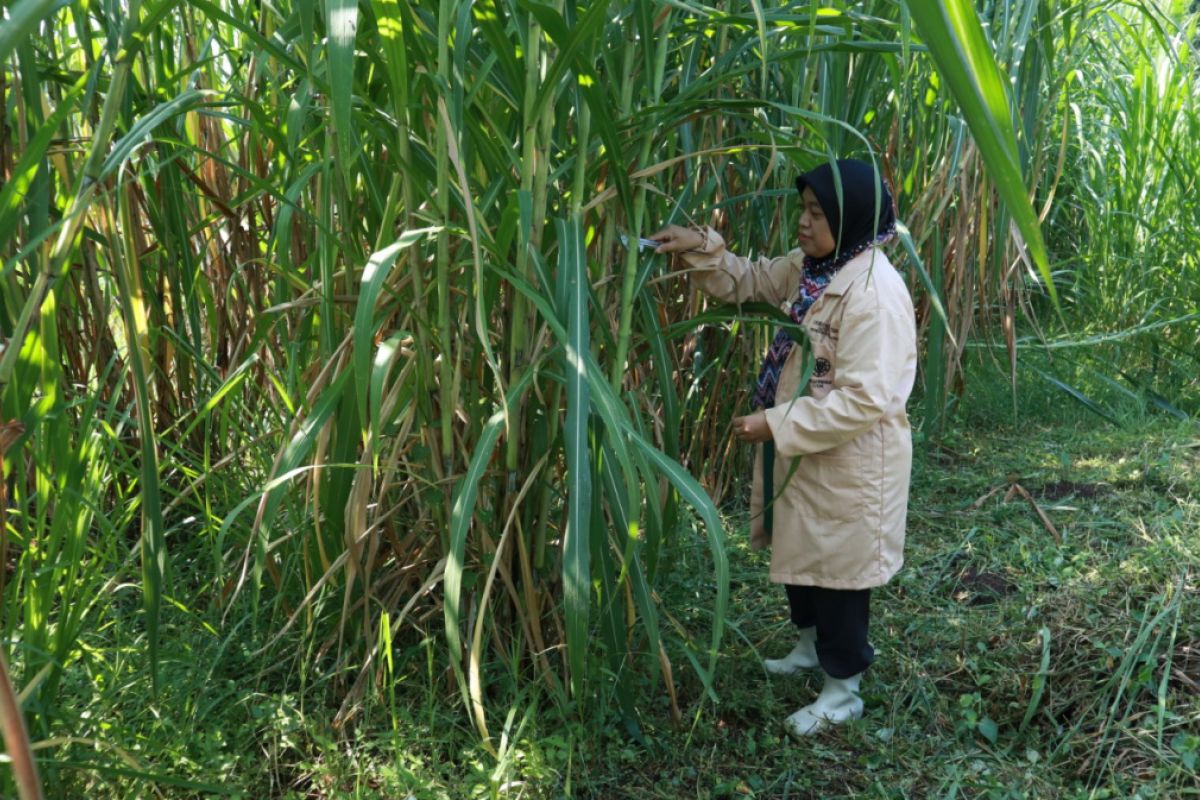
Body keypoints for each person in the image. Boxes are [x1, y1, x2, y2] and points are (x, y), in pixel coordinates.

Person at [650, 158, 917, 737]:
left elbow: (867, 398)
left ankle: (843, 691)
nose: (802, 223)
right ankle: (806, 650)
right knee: (803, 556)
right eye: (802, 209)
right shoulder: (817, 268)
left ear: (850, 219)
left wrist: (776, 423)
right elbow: (751, 280)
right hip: (809, 449)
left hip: (852, 462)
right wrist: (700, 247)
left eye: (817, 214)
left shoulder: (873, 293)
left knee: (840, 578)